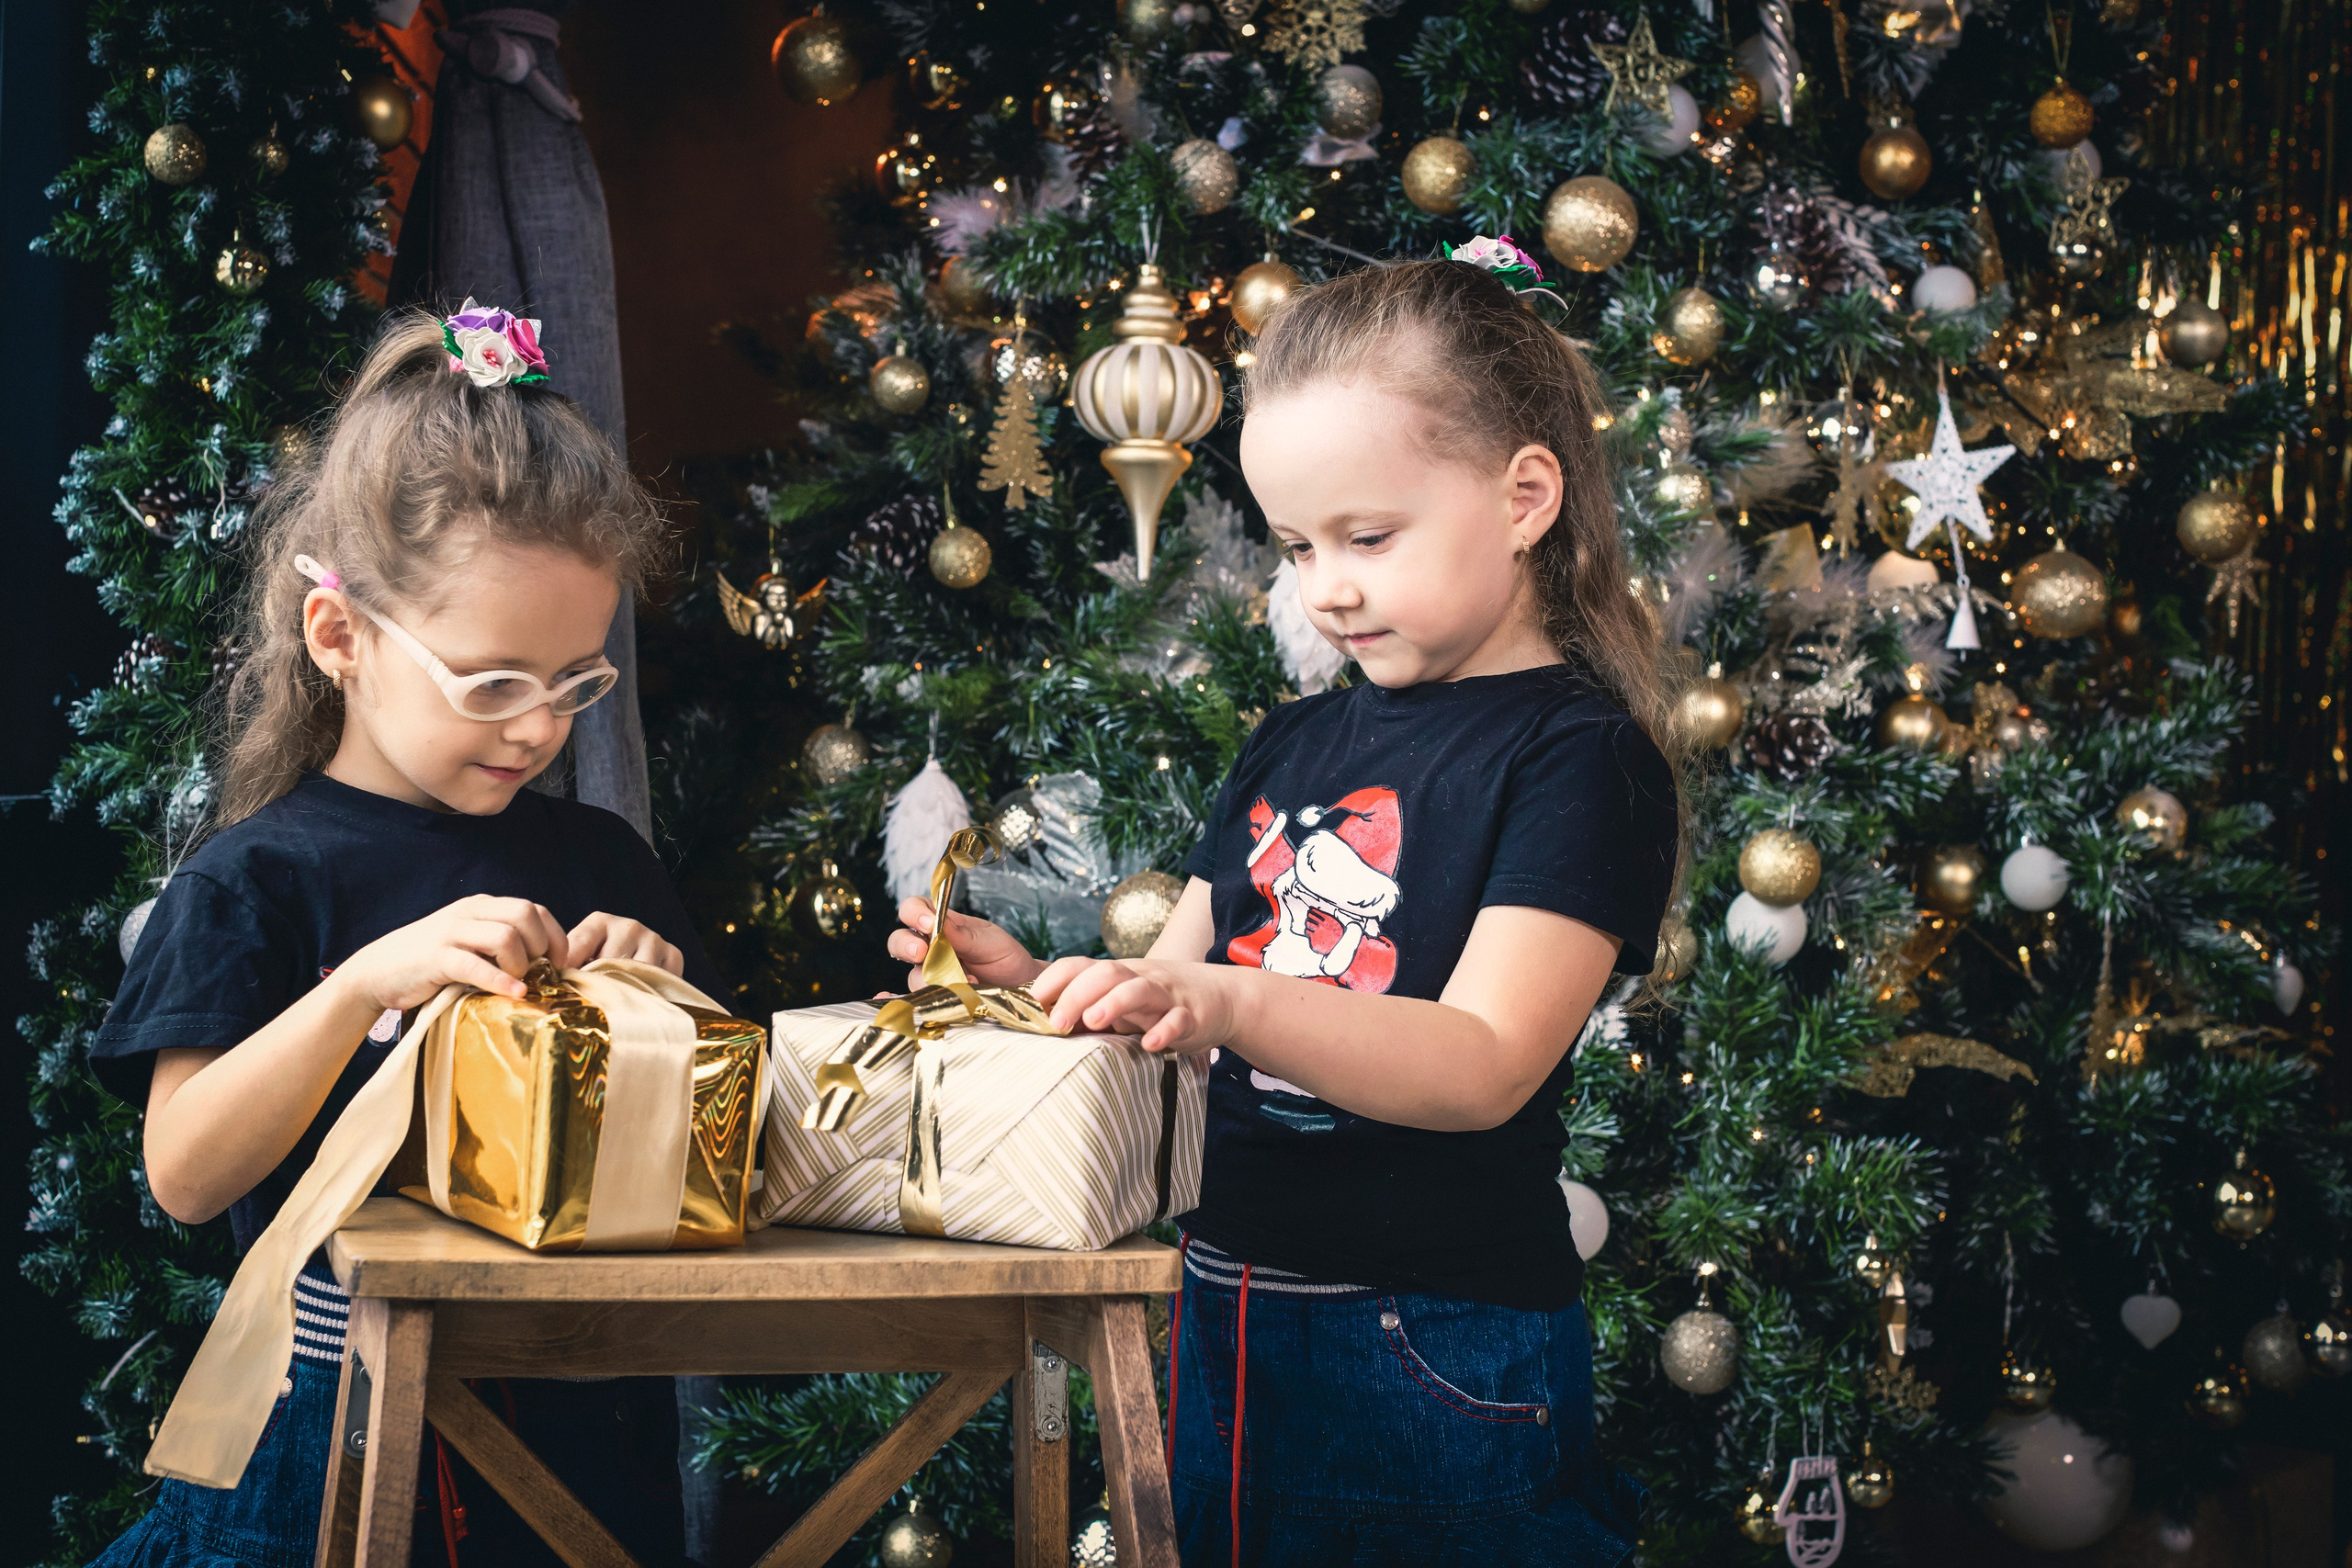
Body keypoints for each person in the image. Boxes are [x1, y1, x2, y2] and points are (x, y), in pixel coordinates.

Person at [888, 247, 1681, 1565]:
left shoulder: (1575, 757)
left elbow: (1481, 1063)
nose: (1327, 587)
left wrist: (1236, 997)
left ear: (1524, 494)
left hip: (1430, 1343)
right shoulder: (1289, 744)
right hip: (1222, 1308)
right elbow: (1187, 1018)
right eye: (1301, 546)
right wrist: (1043, 987)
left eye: (1369, 537)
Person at [86, 304, 711, 1568]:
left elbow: (702, 1169)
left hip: (586, 1448)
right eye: (491, 683)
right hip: (328, 1454)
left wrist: (664, 1013)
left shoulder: (602, 863)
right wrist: (356, 988)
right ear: (341, 638)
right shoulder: (254, 882)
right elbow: (187, 1177)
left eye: (574, 681)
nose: (539, 728)